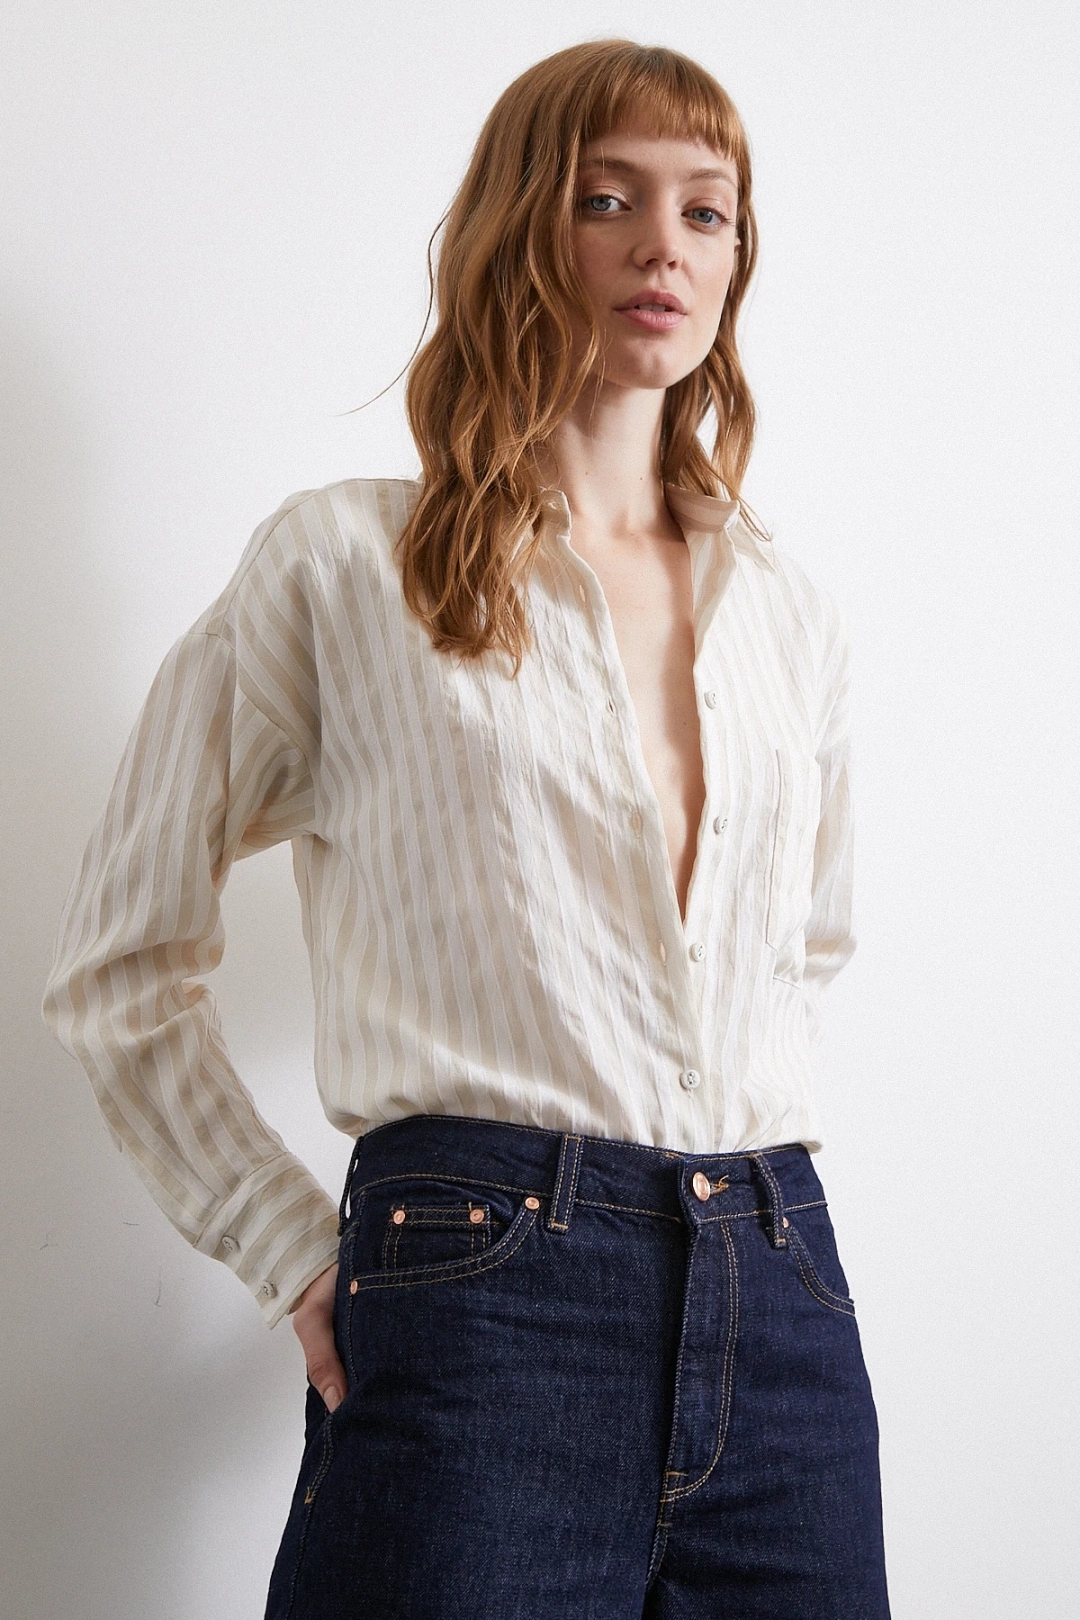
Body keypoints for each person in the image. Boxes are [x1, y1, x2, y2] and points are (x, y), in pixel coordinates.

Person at [42, 38, 890, 1620]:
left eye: (707, 210)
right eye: (608, 199)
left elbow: (806, 951)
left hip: (783, 1298)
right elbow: (118, 964)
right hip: (483, 1289)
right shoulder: (343, 568)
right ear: (521, 230)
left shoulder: (790, 616)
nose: (663, 246)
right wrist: (290, 1243)